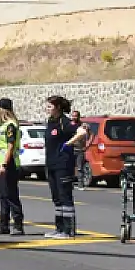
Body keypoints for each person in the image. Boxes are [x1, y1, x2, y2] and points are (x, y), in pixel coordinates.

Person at [44, 95, 87, 239]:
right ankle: (59, 228)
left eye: (50, 106)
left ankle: (68, 230)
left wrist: (69, 143)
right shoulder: (51, 122)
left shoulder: (65, 122)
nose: (47, 109)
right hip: (51, 165)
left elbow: (82, 132)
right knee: (56, 198)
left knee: (65, 196)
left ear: (57, 108)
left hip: (63, 165)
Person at [0, 98, 25, 235]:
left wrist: (4, 164)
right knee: (3, 196)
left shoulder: (10, 126)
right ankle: (3, 225)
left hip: (8, 164)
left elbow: (10, 146)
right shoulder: (3, 126)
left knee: (11, 196)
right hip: (1, 164)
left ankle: (17, 225)